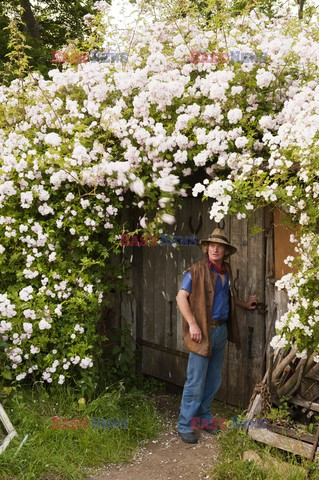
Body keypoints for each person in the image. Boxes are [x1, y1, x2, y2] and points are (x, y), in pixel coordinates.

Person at [176, 228, 257, 444]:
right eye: (212, 245)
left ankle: (204, 419)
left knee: (213, 379)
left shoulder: (226, 271)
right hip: (202, 332)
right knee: (196, 380)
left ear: (225, 251)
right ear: (206, 248)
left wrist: (243, 304)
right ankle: (185, 424)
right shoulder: (195, 271)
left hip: (221, 331)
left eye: (219, 246)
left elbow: (226, 297)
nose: (215, 248)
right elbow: (181, 297)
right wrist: (193, 323)